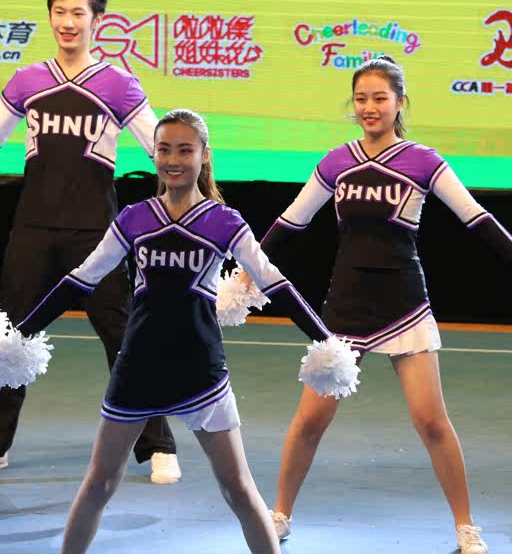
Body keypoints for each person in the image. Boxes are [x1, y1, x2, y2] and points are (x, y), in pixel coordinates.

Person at [14, 108, 337, 554]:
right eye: (164, 149)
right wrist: (19, 335)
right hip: (137, 371)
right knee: (99, 482)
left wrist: (325, 341)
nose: (173, 160)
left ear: (204, 156)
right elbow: (81, 279)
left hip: (201, 372)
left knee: (239, 490)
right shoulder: (134, 218)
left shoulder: (224, 222)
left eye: (185, 150)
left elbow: (273, 282)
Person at [259, 56, 512, 554]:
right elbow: (291, 222)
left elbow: (475, 217)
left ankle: (466, 528)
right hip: (345, 306)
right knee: (309, 422)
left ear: (400, 102)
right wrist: (250, 268)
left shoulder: (422, 161)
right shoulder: (335, 162)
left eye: (380, 98)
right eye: (361, 99)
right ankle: (279, 515)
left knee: (431, 421)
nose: (369, 107)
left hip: (404, 304)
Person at [0, 0, 178, 483]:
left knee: (124, 338)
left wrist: (190, 201)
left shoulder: (118, 84)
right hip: (32, 231)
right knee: (10, 339)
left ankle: (158, 445)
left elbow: (161, 147)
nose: (67, 22)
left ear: (97, 21)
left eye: (78, 13)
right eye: (59, 12)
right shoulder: (26, 81)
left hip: (97, 235)